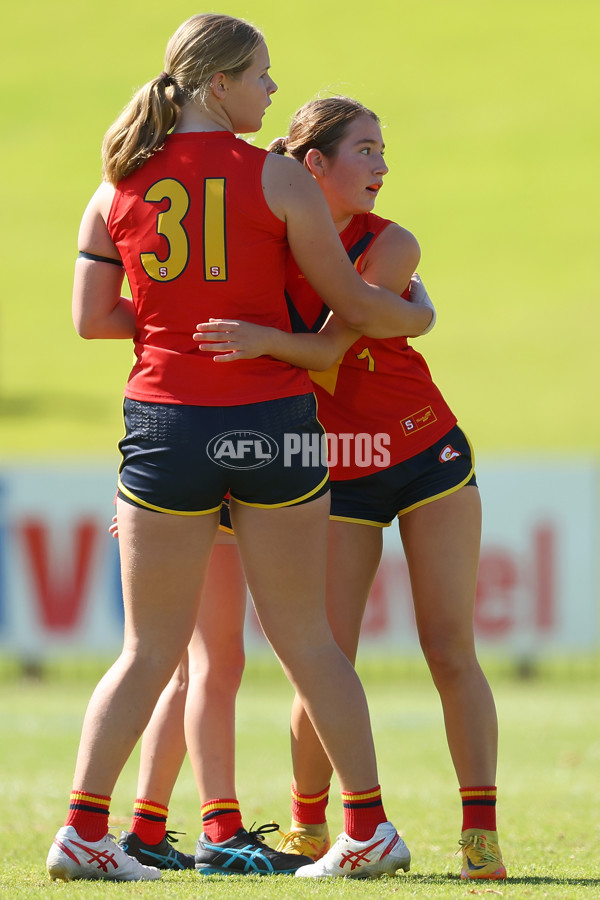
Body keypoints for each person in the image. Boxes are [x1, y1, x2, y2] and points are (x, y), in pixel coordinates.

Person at [46, 14, 432, 883]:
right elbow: (352, 305)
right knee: (307, 639)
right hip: (271, 421)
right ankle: (367, 827)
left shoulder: (115, 186)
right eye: (262, 76)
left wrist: (178, 329)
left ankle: (82, 832)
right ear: (217, 83)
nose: (271, 91)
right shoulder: (278, 180)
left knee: (148, 651)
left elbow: (92, 320)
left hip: (163, 423)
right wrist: (419, 313)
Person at [193, 95, 506, 881]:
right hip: (335, 471)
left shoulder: (390, 242)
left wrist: (408, 319)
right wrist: (417, 317)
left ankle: (480, 838)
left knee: (449, 650)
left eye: (381, 150)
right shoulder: (267, 245)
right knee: (322, 656)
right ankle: (309, 829)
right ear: (313, 166)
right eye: (365, 150)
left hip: (426, 455)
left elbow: (332, 349)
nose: (382, 166)